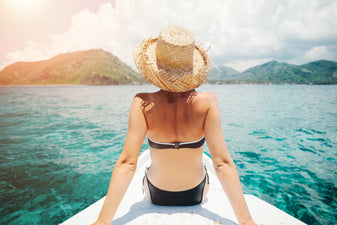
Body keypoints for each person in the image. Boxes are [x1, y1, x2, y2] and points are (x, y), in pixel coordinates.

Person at [93, 26, 256, 225]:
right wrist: (247, 222)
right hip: (196, 193)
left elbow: (127, 163)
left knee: (146, 171)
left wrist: (102, 222)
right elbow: (222, 163)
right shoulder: (208, 102)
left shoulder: (142, 103)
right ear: (192, 68)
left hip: (156, 193)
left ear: (156, 69)